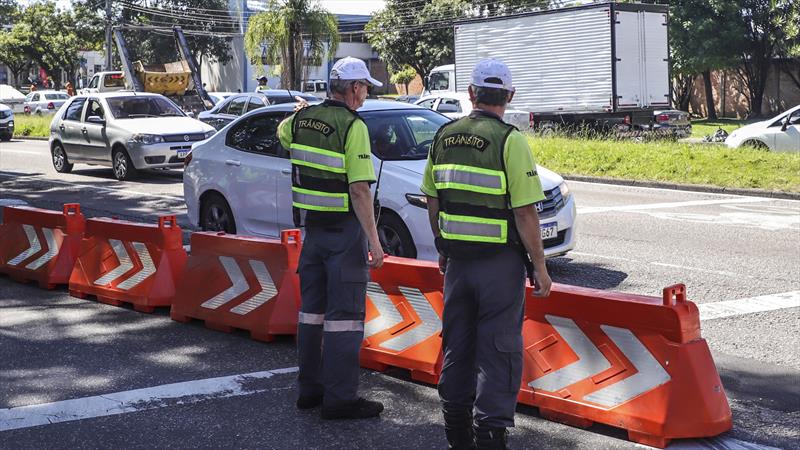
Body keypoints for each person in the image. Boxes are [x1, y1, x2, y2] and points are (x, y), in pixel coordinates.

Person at [420, 58, 553, 450]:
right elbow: (525, 211)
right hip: (499, 266)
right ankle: (491, 437)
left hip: (458, 265)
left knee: (457, 345)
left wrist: (443, 246)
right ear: (509, 97)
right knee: (498, 349)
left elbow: (433, 199)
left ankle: (456, 435)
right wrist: (541, 267)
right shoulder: (510, 140)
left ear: (471, 94)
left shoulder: (444, 134)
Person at [277, 56, 386, 420]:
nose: (366, 93)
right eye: (365, 87)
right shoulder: (353, 126)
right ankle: (340, 399)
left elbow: (282, 132)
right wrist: (374, 239)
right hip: (344, 235)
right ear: (353, 89)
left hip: (314, 233)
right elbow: (359, 190)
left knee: (311, 314)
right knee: (344, 319)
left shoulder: (301, 120)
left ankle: (309, 390)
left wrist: (301, 112)